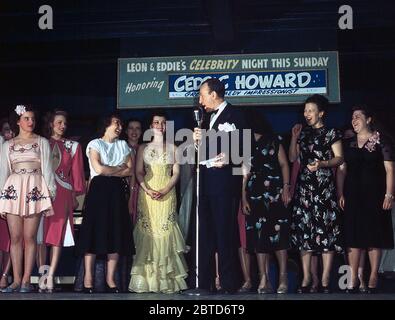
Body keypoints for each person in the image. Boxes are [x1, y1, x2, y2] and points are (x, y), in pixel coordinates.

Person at [193, 78, 248, 293]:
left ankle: (229, 283)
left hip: (224, 184)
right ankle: (206, 282)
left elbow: (244, 146)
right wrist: (200, 139)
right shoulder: (207, 119)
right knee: (207, 233)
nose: (200, 99)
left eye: (202, 95)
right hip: (207, 183)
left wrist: (230, 157)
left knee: (225, 233)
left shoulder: (235, 115)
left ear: (213, 94)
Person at [289, 94, 344, 293]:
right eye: (305, 110)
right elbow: (293, 157)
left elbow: (339, 158)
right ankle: (306, 278)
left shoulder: (331, 132)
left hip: (323, 189)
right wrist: (294, 138)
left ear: (321, 113)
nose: (307, 114)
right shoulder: (303, 133)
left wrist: (322, 163)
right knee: (305, 235)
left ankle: (325, 278)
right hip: (305, 190)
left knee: (326, 234)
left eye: (311, 110)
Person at [337, 106, 394, 293]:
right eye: (352, 117)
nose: (354, 120)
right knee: (353, 236)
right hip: (353, 194)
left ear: (368, 119)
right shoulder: (348, 143)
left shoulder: (381, 141)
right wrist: (340, 193)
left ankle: (373, 276)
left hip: (374, 195)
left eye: (358, 117)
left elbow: (390, 170)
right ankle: (353, 278)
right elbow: (342, 169)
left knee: (373, 235)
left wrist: (389, 194)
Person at [129, 110, 188, 293]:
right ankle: (147, 281)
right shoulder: (143, 148)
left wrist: (165, 189)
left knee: (166, 231)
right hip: (147, 194)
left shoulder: (174, 148)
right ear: (151, 126)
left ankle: (165, 282)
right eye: (156, 122)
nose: (160, 126)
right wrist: (147, 189)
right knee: (148, 232)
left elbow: (176, 173)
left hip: (167, 193)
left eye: (162, 123)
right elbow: (138, 172)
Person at [0, 105, 56, 293]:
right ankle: (15, 280)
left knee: (29, 237)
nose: (30, 122)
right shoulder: (8, 145)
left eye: (32, 118)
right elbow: (3, 173)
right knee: (14, 237)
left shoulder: (41, 142)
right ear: (18, 121)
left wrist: (50, 194)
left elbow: (48, 170)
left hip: (34, 189)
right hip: (13, 190)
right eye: (26, 118)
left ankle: (25, 280)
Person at [76, 114, 134, 293]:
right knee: (93, 231)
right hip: (98, 190)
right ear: (106, 124)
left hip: (116, 191)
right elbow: (98, 168)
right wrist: (118, 168)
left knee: (115, 230)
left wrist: (111, 170)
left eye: (120, 124)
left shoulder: (123, 145)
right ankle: (88, 279)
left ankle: (111, 279)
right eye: (117, 123)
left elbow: (130, 170)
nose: (120, 127)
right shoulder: (95, 144)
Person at [242, 110, 291, 294]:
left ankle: (283, 277)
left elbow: (285, 164)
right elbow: (244, 174)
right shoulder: (244, 144)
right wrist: (243, 197)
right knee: (258, 236)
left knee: (278, 234)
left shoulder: (274, 139)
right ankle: (264, 278)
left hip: (275, 191)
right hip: (254, 193)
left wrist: (286, 187)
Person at [39, 110, 86, 292]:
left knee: (57, 237)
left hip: (63, 194)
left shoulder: (73, 146)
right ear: (51, 123)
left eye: (64, 123)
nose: (62, 126)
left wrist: (75, 195)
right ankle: (43, 275)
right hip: (41, 193)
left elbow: (76, 174)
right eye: (59, 122)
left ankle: (51, 276)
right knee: (40, 237)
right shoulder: (40, 142)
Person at [0, 118, 14, 289]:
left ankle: (5, 275)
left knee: (11, 240)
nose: (9, 133)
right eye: (5, 130)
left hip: (12, 197)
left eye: (11, 130)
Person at [125, 118, 143, 224]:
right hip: (126, 190)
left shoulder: (145, 149)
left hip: (142, 190)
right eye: (131, 128)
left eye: (137, 128)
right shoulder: (121, 148)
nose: (134, 131)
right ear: (126, 131)